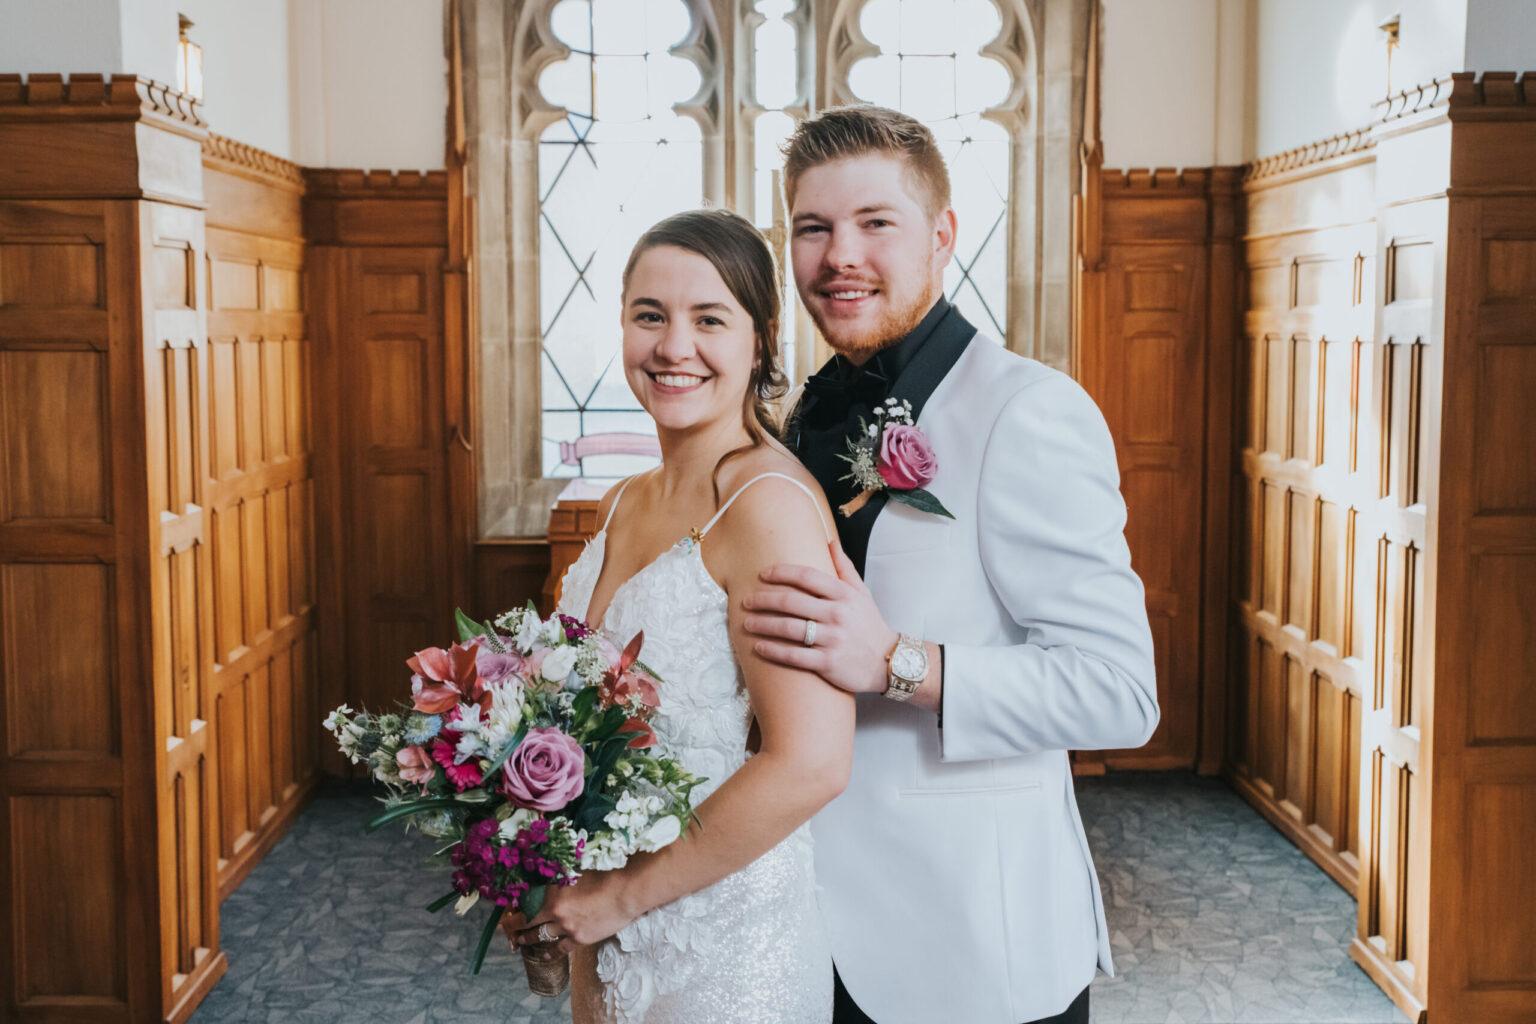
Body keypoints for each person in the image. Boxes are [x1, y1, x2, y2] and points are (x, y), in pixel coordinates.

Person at [738, 106, 1160, 1024]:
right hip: (799, 927)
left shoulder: (1030, 412)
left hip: (972, 948)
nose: (839, 254)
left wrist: (899, 662)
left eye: (874, 223)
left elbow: (1120, 693)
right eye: (814, 228)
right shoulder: (794, 421)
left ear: (942, 236)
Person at [511, 208, 851, 1024]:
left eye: (709, 319)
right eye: (649, 316)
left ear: (762, 339)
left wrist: (624, 895)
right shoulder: (629, 497)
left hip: (725, 946)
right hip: (612, 932)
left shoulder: (768, 507)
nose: (673, 347)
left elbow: (811, 763)